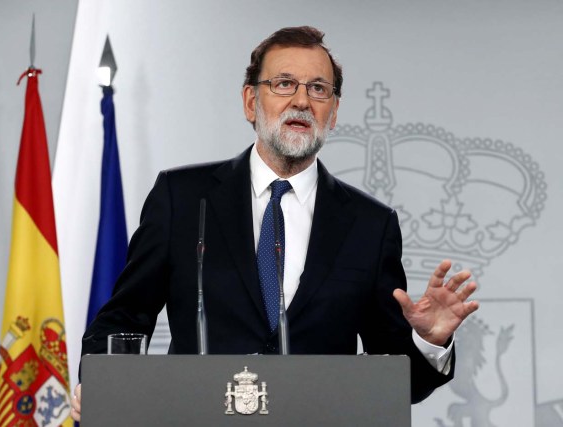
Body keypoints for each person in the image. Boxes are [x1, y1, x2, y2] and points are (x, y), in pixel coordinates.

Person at [71, 26, 478, 421]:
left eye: (318, 88)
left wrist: (429, 340)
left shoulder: (370, 225)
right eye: (284, 83)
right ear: (250, 101)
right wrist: (103, 384)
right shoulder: (182, 198)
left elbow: (397, 382)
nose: (301, 100)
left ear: (333, 112)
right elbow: (123, 318)